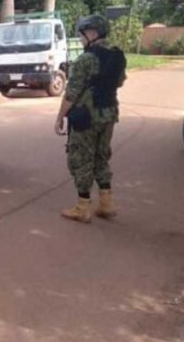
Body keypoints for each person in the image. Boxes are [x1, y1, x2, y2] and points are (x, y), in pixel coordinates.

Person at [54, 14, 126, 223]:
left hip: (87, 116)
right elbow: (119, 82)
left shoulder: (85, 59)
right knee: (101, 156)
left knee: (81, 158)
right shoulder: (117, 56)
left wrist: (60, 117)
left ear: (92, 33)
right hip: (109, 113)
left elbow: (71, 93)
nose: (81, 38)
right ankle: (106, 203)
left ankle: (82, 207)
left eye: (82, 34)